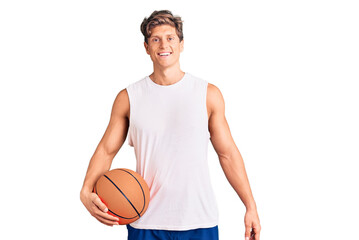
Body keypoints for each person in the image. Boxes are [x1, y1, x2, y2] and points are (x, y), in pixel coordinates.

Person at [80, 10, 261, 240]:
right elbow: (106, 150)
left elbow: (227, 154)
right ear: (146, 47)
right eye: (155, 39)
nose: (163, 44)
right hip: (145, 221)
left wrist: (250, 205)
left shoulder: (208, 94)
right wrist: (86, 191)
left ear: (181, 44)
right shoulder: (129, 97)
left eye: (170, 38)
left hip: (198, 220)